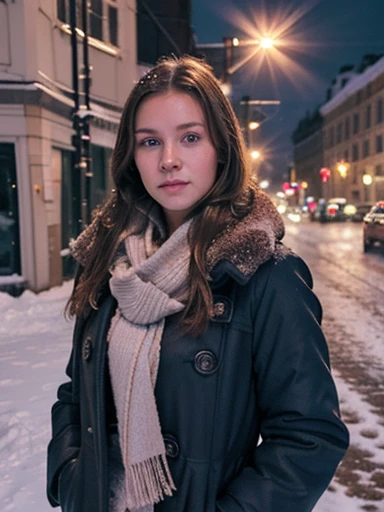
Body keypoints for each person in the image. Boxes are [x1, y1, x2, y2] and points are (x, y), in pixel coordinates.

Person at [47, 55, 349, 512]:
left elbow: (309, 437)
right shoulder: (110, 263)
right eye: (150, 142)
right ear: (132, 157)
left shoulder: (265, 275)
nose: (169, 160)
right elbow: (76, 395)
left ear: (222, 148)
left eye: (190, 137)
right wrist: (70, 479)